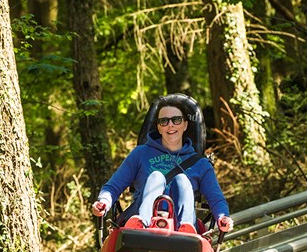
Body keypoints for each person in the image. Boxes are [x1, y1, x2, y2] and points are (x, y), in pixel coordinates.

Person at [91, 95, 234, 234]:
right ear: (159, 128)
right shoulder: (140, 153)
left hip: (180, 225)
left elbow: (216, 199)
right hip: (140, 219)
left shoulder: (201, 164)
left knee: (182, 179)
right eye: (164, 121)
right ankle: (141, 223)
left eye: (176, 120)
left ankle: (186, 228)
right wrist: (103, 202)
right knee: (156, 177)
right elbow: (113, 186)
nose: (170, 125)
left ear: (185, 125)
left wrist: (223, 217)